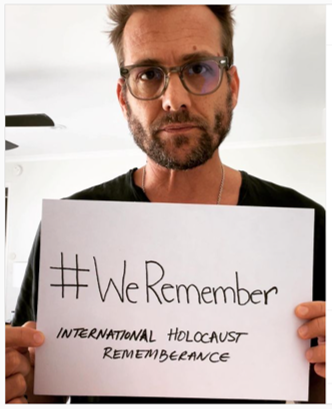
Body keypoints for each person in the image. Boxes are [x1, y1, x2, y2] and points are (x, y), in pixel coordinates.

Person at [7, 5, 325, 404]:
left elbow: (311, 390)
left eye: (198, 69)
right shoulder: (67, 229)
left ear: (234, 86)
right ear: (124, 98)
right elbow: (38, 390)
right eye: (148, 74)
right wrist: (19, 387)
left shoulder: (304, 223)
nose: (174, 100)